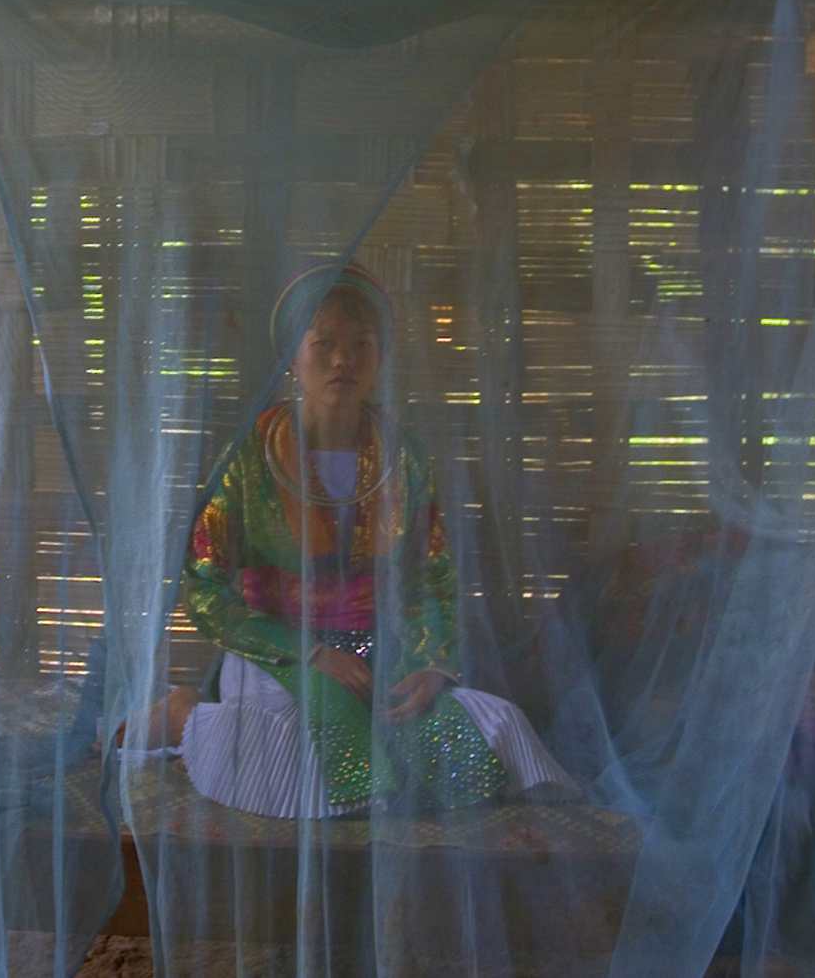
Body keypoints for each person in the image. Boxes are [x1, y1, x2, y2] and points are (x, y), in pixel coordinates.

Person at [152, 262, 571, 818]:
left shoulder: (403, 456)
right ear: (293, 356)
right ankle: (184, 714)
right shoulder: (250, 457)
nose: (342, 360)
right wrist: (309, 651)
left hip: (377, 652)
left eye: (361, 345)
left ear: (381, 358)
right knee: (293, 748)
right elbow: (204, 585)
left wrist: (430, 664)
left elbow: (433, 575)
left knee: (482, 731)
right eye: (323, 343)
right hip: (279, 650)